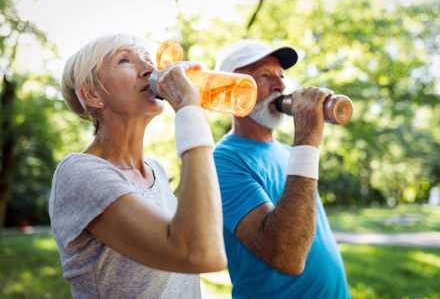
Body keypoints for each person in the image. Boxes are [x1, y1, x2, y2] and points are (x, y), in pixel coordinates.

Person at [48, 34, 226, 299]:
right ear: (92, 94)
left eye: (148, 60)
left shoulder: (157, 171)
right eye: (124, 60)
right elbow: (200, 253)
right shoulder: (79, 173)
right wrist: (190, 110)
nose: (150, 69)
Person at [213, 39, 349, 298]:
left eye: (281, 76)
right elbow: (287, 256)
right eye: (265, 76)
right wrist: (308, 139)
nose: (281, 85)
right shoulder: (222, 160)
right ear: (229, 92)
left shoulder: (291, 153)